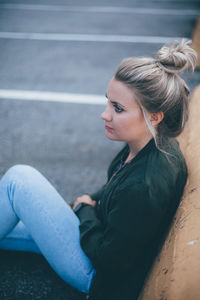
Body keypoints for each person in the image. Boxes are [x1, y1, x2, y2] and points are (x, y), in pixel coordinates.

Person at [0, 39, 197, 300]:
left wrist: (84, 209)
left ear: (154, 116)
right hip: (96, 237)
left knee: (19, 180)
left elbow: (110, 259)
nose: (105, 115)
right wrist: (87, 204)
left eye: (117, 108)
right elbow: (114, 185)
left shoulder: (146, 184)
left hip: (97, 276)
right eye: (108, 102)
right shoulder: (150, 142)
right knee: (12, 219)